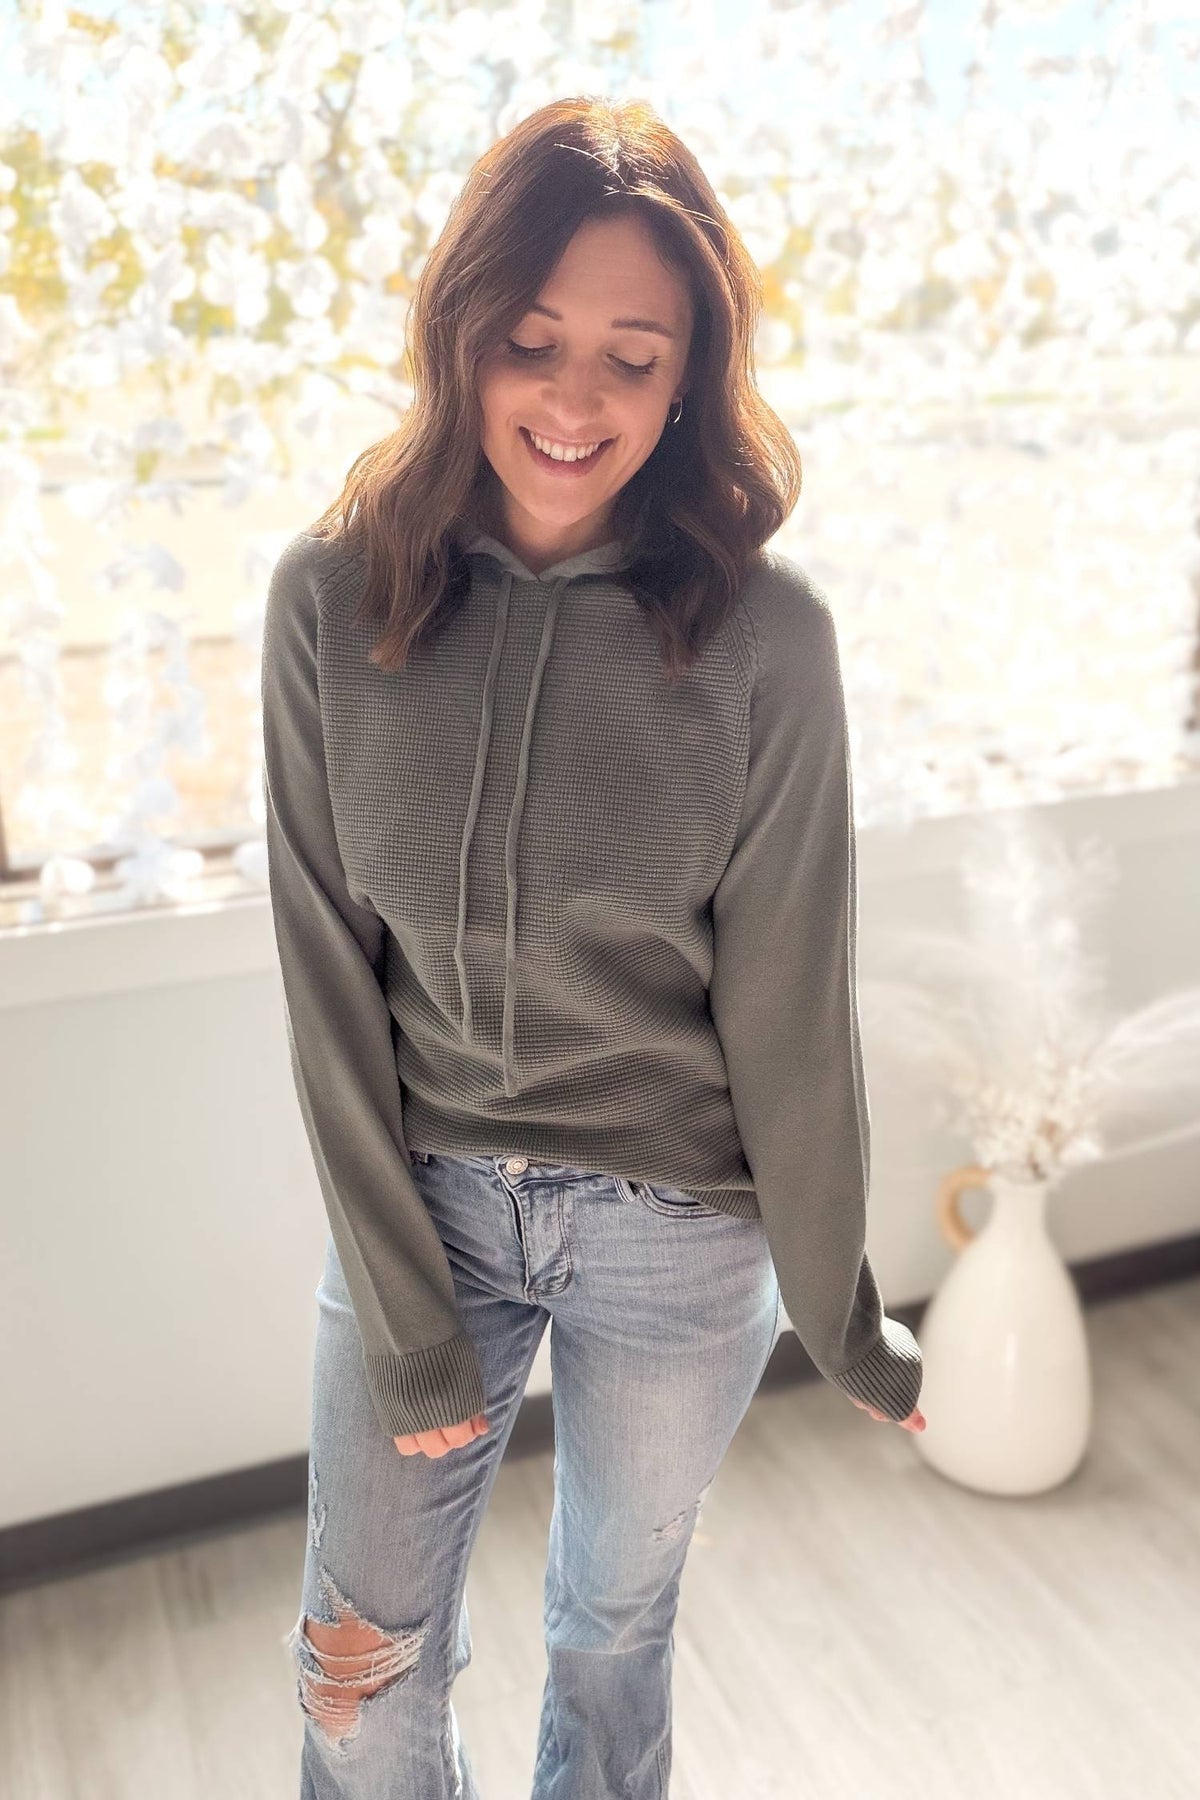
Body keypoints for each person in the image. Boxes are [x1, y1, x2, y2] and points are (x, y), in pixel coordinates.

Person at [261, 93, 924, 1800]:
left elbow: (793, 1003)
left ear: (689, 378)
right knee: (359, 1662)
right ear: (463, 327)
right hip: (431, 1200)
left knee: (609, 1631)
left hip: (677, 1237)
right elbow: (328, 982)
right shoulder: (331, 604)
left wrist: (843, 1309)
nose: (574, 400)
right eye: (535, 340)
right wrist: (408, 1307)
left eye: (634, 359)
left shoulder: (770, 640)